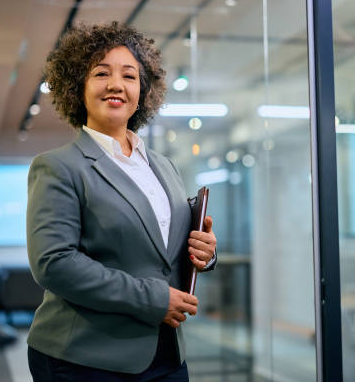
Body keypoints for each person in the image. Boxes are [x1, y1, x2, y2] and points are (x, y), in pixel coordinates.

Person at [26, 22, 217, 381]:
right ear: (76, 88)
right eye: (101, 73)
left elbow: (164, 254)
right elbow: (54, 263)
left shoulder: (164, 167)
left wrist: (205, 254)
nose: (116, 84)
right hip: (86, 358)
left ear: (142, 92)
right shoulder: (58, 166)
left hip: (168, 353)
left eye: (129, 76)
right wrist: (155, 300)